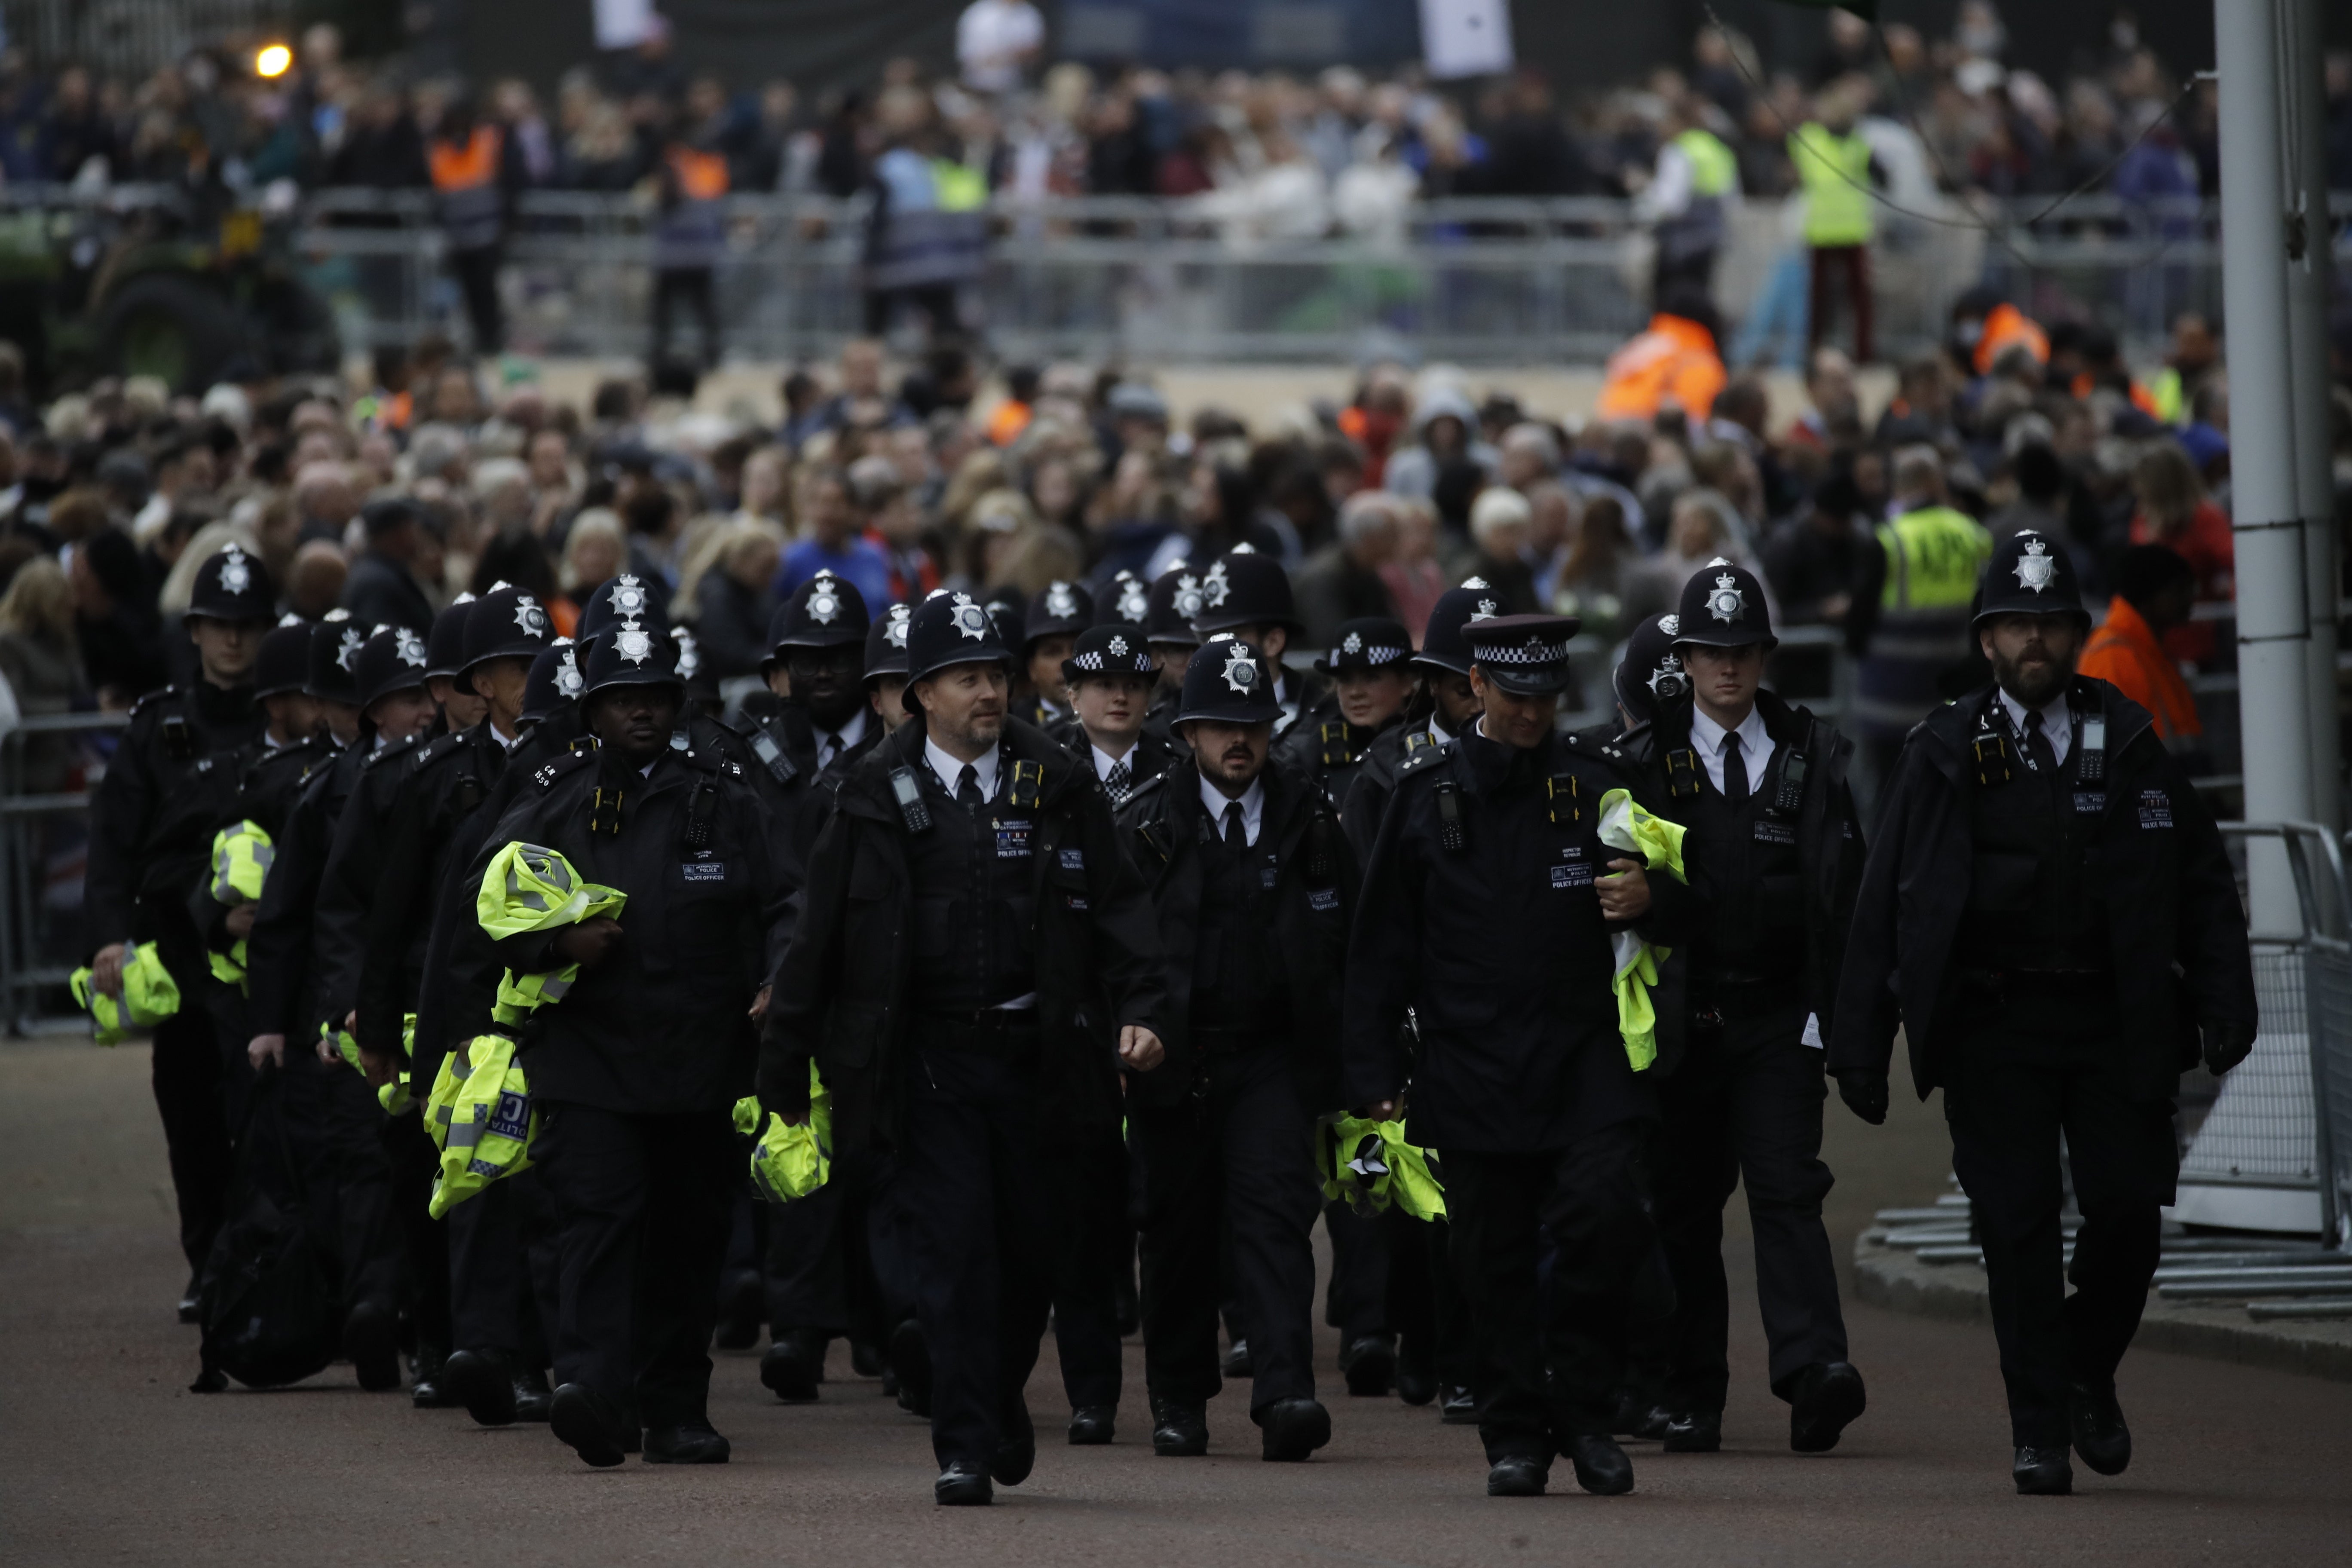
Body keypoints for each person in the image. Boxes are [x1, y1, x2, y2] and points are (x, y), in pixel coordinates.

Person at [1830, 530, 2256, 1496]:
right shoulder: (1940, 751)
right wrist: (1861, 1041)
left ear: (2078, 634)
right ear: (1987, 640)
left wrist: (2229, 998)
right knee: (2014, 1227)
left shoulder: (2133, 739)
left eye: (2052, 624)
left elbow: (2199, 882)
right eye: (2016, 624)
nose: (2035, 641)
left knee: (2128, 1216)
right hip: (1996, 1027)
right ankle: (2038, 1427)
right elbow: (1887, 898)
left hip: (2117, 1021)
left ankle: (2084, 1370)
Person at [760, 590, 1170, 1505]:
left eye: (997, 676)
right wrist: (785, 1066)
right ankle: (963, 1442)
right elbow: (816, 940)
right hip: (926, 1066)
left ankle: (994, 1395)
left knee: (1034, 1257)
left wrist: (1143, 1007)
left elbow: (1121, 910)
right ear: (922, 695)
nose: (989, 693)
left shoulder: (1058, 781)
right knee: (953, 1256)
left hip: (1042, 1062)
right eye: (967, 679)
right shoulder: (867, 795)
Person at [1343, 612, 1694, 1498]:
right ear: (1478, 688)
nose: (1534, 713)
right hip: (1470, 1061)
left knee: (1606, 1220)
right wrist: (1373, 1073)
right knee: (1489, 1262)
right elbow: (1380, 942)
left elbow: (1692, 906)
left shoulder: (1598, 786)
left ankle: (1584, 1412)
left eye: (1547, 696)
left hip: (1583, 1059)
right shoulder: (1426, 796)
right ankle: (1516, 1434)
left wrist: (1654, 899)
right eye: (1517, 696)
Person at [462, 620, 795, 1467]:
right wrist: (554, 945)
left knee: (689, 1239)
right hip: (590, 1061)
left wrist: (776, 982)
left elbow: (791, 901)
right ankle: (593, 1393)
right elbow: (487, 899)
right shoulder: (556, 798)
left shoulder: (725, 796)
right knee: (598, 1224)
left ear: (676, 703)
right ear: (592, 710)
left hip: (702, 1061)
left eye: (654, 698)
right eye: (622, 700)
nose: (641, 714)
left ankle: (676, 1408)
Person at [1614, 560, 1868, 1455]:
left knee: (1789, 1192)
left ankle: (1815, 1373)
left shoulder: (1813, 753)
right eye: (1710, 652)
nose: (1727, 667)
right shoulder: (1638, 765)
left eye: (1743, 650)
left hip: (1778, 1020)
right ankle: (1693, 1394)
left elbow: (1847, 896)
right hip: (1681, 1023)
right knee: (1683, 1207)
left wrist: (1841, 1022)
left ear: (1766, 655)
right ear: (1683, 660)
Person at [1116, 637, 1353, 1463]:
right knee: (1177, 1234)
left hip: (1272, 1056)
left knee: (1276, 1218)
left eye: (1251, 723)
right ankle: (1178, 1401)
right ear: (1186, 733)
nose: (1238, 741)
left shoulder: (1309, 813)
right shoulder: (1144, 821)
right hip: (1170, 1060)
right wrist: (1129, 1024)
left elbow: (1345, 936)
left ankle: (1286, 1392)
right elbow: (1112, 943)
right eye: (1220, 725)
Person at [84, 544, 275, 1319]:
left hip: (266, 955)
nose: (232, 639)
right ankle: (208, 1262)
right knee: (193, 1116)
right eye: (219, 624)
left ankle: (262, 1264)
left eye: (247, 625)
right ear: (195, 630)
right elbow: (112, 842)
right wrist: (104, 939)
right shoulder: (155, 725)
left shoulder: (287, 717)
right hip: (179, 952)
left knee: (266, 1119)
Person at [732, 572, 892, 1402]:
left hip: (872, 988)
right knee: (789, 1147)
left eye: (838, 656)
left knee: (874, 1158)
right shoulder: (755, 752)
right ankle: (797, 1329)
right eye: (807, 658)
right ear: (782, 668)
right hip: (782, 986)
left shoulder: (901, 748)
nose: (824, 671)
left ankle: (878, 1327)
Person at [1847, 448, 1993, 791]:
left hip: (1889, 704)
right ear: (1936, 483)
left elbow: (1856, 627)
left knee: (1890, 804)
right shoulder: (1974, 536)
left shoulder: (1889, 538)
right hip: (1956, 703)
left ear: (1901, 488)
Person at [2077, 545, 2203, 760]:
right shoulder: (2113, 655)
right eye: (2178, 590)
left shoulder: (2146, 649)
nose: (2189, 599)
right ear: (2149, 597)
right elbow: (2103, 752)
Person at [1280, 616, 1413, 814]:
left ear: (1407, 683)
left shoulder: (1435, 739)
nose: (1355, 692)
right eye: (1345, 679)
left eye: (1371, 677)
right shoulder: (1307, 750)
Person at [1188, 551, 1327, 734]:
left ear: (1273, 642)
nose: (1214, 648)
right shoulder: (1186, 717)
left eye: (1229, 637)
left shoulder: (1322, 719)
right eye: (1207, 638)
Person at [1789, 85, 1877, 361]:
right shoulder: (1811, 138)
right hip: (1823, 230)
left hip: (1851, 228)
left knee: (1859, 299)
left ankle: (1862, 354)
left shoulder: (1857, 141)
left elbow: (1877, 171)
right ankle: (1815, 354)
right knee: (1820, 300)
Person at [1057, 623, 1174, 808]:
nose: (1121, 698)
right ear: (1074, 699)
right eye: (1105, 685)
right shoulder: (1055, 773)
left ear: (1147, 700)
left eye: (1133, 686)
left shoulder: (1175, 772)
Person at [340, 499, 438, 636]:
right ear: (400, 533)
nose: (419, 536)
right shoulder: (376, 583)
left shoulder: (382, 571)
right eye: (413, 528)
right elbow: (384, 640)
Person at [1019, 579, 1092, 728]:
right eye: (1052, 652)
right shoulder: (1013, 729)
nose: (1067, 662)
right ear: (1032, 668)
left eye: (1079, 650)